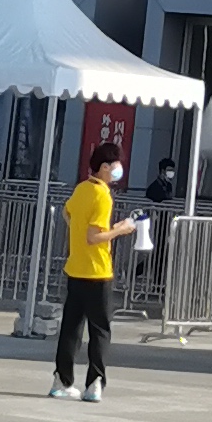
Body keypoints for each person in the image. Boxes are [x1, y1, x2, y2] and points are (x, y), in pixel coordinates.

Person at [48, 138, 125, 401]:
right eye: (115, 165)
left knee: (71, 328)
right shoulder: (102, 195)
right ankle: (95, 383)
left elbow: (67, 213)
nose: (118, 169)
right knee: (100, 330)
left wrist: (77, 231)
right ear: (105, 167)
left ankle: (61, 380)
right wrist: (120, 230)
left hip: (76, 269)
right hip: (97, 272)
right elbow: (95, 236)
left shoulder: (81, 188)